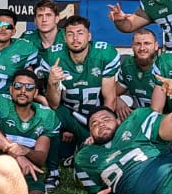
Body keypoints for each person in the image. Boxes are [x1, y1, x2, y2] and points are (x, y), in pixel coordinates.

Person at [41, 14, 120, 167]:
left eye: (80, 33)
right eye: (70, 34)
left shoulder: (104, 54)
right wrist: (52, 83)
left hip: (95, 113)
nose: (75, 38)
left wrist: (98, 126)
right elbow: (54, 104)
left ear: (89, 36)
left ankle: (83, 147)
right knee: (49, 115)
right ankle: (53, 171)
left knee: (106, 145)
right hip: (70, 114)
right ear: (64, 38)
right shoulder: (54, 56)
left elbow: (110, 98)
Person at [111, 29, 161, 118]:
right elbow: (111, 92)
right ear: (132, 47)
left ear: (156, 46)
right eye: (138, 44)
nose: (142, 48)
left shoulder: (164, 66)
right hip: (137, 118)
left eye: (147, 43)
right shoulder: (128, 65)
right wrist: (117, 100)